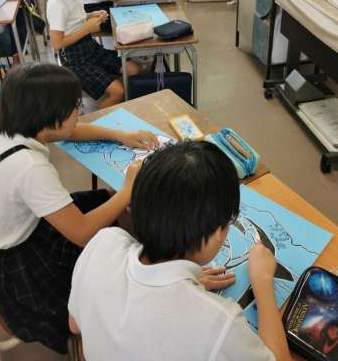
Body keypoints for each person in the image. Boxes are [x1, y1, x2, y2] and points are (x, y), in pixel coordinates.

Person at [68, 141, 292, 361]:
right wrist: (262, 282)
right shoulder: (218, 322)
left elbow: (74, 324)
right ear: (217, 232)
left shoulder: (104, 242)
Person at [0, 63, 157, 354]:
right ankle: (89, 341)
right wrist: (128, 188)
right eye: (74, 108)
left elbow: (70, 131)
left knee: (110, 201)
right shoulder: (30, 167)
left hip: (29, 224)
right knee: (116, 208)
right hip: (22, 260)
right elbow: (81, 233)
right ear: (50, 118)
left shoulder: (13, 130)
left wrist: (121, 136)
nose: (78, 112)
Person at [44, 0, 140, 108]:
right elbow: (57, 43)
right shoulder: (57, 1)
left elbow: (72, 20)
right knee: (118, 92)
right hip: (75, 59)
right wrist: (87, 28)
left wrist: (91, 15)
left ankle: (115, 101)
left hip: (90, 48)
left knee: (133, 69)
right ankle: (98, 121)